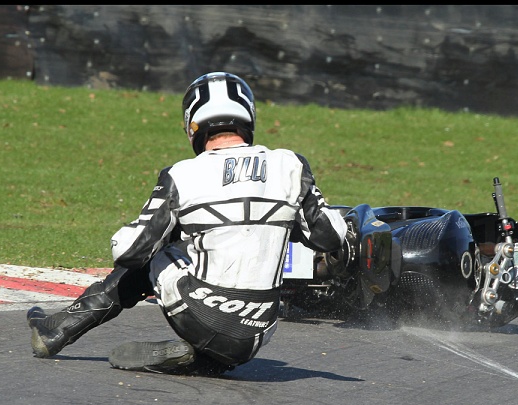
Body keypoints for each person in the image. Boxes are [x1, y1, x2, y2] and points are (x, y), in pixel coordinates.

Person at [27, 72, 348, 375]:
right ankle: (209, 359)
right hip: (259, 334)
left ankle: (59, 329)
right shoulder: (290, 163)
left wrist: (166, 231)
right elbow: (330, 236)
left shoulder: (181, 174)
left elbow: (129, 252)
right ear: (248, 116)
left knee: (157, 252)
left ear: (192, 123)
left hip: (203, 315)